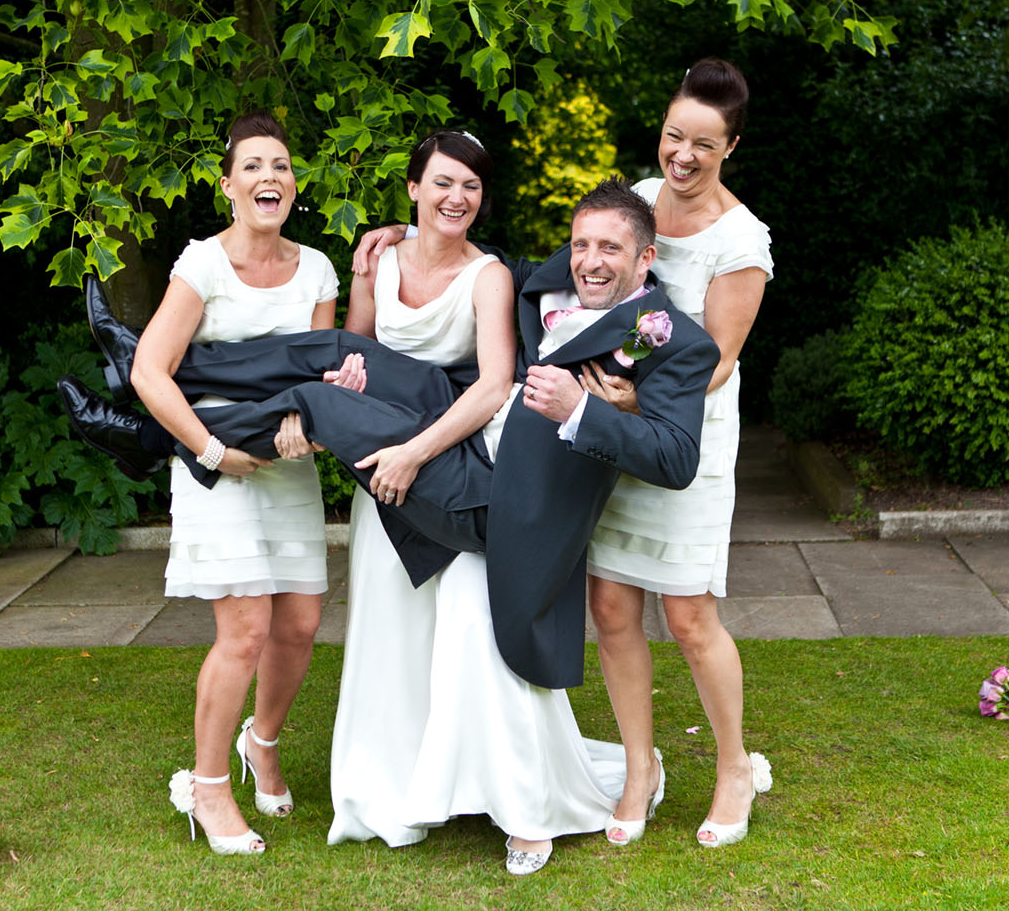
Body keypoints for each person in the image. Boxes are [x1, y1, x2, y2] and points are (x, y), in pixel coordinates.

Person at [60, 177, 720, 706]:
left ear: (644, 258)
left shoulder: (670, 337)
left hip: (501, 496)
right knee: (346, 347)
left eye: (609, 248)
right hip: (461, 423)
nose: (590, 260)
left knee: (322, 401)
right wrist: (406, 229)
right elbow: (462, 243)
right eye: (581, 244)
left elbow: (675, 456)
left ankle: (150, 434)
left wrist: (585, 410)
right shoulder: (553, 278)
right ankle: (147, 357)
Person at [301, 131, 630, 875]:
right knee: (391, 628)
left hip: (455, 461)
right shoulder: (375, 262)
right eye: (443, 183)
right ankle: (396, 790)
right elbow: (354, 355)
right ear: (413, 187)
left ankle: (515, 796)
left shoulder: (489, 277)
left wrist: (416, 454)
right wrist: (345, 395)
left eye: (472, 187)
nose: (458, 198)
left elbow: (492, 385)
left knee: (469, 620)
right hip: (385, 464)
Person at [120, 111, 338, 855]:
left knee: (300, 622)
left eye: (279, 164)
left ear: (294, 184)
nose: (268, 176)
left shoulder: (316, 271)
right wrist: (212, 450)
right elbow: (149, 369)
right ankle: (208, 786)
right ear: (228, 185)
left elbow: (316, 376)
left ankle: (262, 740)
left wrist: (305, 421)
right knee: (243, 630)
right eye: (252, 165)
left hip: (286, 462)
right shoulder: (201, 266)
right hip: (213, 464)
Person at [582, 59, 774, 848]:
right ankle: (640, 768)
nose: (682, 156)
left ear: (730, 145)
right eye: (672, 136)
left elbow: (717, 360)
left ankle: (734, 767)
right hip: (619, 430)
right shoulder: (635, 204)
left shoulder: (742, 238)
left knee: (690, 613)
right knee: (611, 605)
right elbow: (598, 295)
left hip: (688, 436)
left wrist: (642, 400)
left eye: (702, 143)